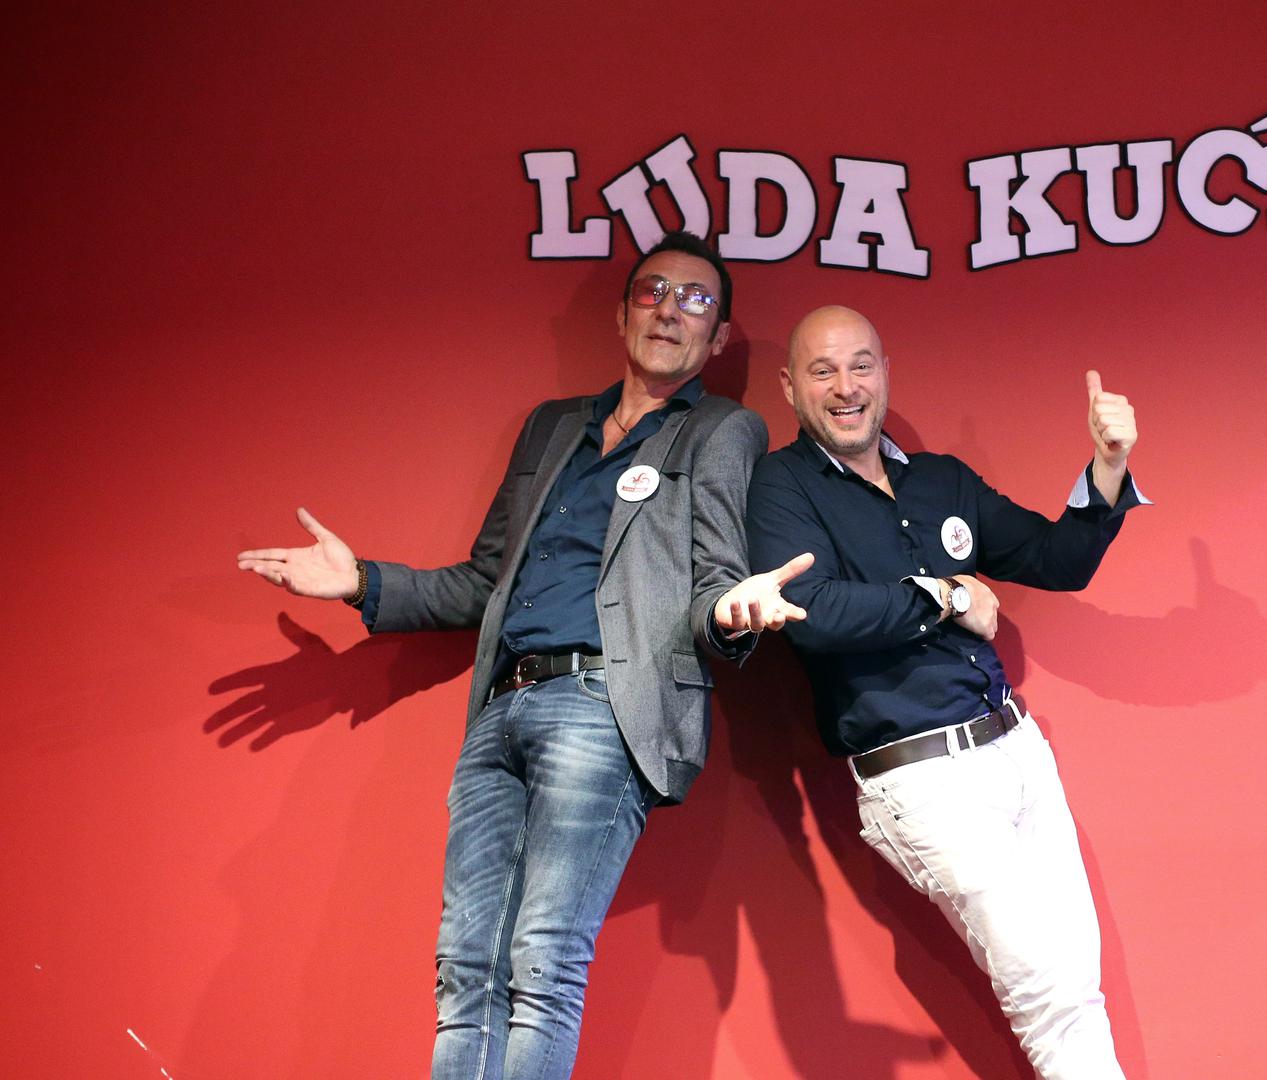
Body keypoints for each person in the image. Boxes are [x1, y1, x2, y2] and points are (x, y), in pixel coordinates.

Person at [236, 231, 809, 1080]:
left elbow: (714, 579)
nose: (669, 311)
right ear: (621, 314)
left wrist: (732, 611)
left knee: (542, 962)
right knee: (464, 968)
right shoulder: (553, 427)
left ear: (718, 336)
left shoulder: (721, 430)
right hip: (498, 709)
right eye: (652, 292)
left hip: (602, 705)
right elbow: (483, 582)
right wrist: (360, 582)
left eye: (695, 300)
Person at [746, 305, 1147, 1080]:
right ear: (791, 389)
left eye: (860, 365)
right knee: (1050, 996)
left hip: (1018, 753)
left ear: (884, 374)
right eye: (822, 371)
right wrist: (946, 595)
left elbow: (1056, 559)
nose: (845, 386)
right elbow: (812, 613)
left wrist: (1106, 468)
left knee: (1074, 988)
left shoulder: (940, 480)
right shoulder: (779, 485)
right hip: (922, 779)